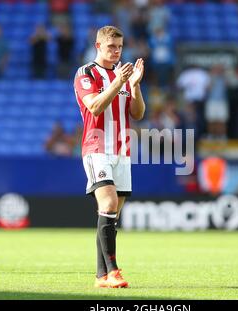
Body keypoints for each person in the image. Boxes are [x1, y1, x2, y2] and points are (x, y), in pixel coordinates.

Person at [73, 26, 145, 288]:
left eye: (120, 47)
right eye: (111, 47)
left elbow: (137, 113)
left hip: (122, 151)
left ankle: (101, 276)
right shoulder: (86, 73)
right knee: (109, 204)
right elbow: (95, 105)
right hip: (96, 149)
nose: (116, 52)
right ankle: (114, 271)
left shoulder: (124, 75)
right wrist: (119, 82)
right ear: (98, 46)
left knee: (110, 215)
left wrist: (134, 86)